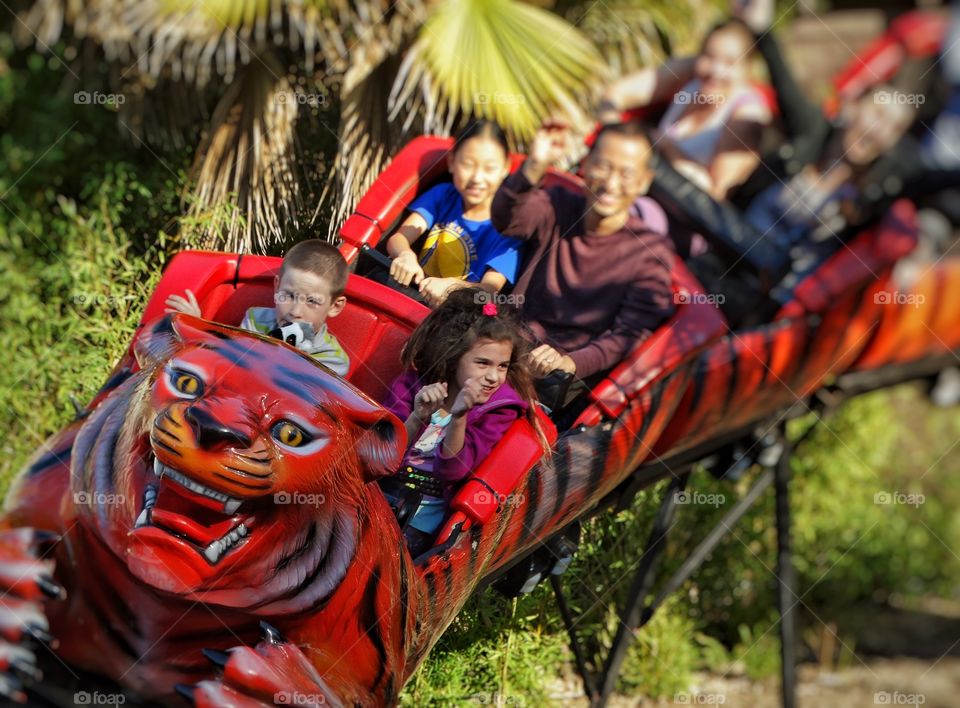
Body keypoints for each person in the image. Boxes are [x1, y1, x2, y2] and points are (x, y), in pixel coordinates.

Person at [650, 0, 960, 326]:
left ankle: (655, 169)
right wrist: (761, 26)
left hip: (766, 292)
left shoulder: (889, 179)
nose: (878, 130)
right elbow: (786, 83)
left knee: (754, 269)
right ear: (850, 109)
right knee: (684, 269)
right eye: (877, 114)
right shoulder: (813, 132)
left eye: (892, 128)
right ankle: (650, 168)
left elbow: (943, 177)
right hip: (723, 250)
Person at [491, 120, 676, 385]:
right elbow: (507, 220)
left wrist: (569, 364)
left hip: (558, 379)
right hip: (502, 343)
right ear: (586, 165)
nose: (610, 184)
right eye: (603, 167)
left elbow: (630, 333)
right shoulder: (559, 204)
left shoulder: (650, 251)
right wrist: (536, 163)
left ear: (644, 182)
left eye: (626, 174)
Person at [380, 288, 542, 556]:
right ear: (454, 357)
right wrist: (417, 416)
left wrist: (459, 418)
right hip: (377, 492)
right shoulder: (413, 384)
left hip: (417, 523)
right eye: (482, 363)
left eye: (502, 366)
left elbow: (453, 471)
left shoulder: (500, 410)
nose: (494, 376)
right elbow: (384, 452)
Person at [598, 17, 772, 201]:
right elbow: (614, 94)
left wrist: (664, 148)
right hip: (631, 184)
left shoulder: (746, 116)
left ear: (747, 69)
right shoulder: (690, 72)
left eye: (730, 63)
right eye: (709, 56)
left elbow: (714, 198)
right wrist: (616, 140)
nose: (716, 70)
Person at [385, 120, 523, 307]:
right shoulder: (443, 195)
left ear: (506, 168)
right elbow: (399, 237)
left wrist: (453, 287)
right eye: (467, 165)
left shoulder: (510, 227)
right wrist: (405, 255)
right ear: (451, 162)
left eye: (489, 168)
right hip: (411, 297)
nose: (476, 178)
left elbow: (490, 289)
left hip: (455, 315)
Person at [164, 240, 351, 376]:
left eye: (312, 302)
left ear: (335, 306)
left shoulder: (333, 361)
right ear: (277, 287)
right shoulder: (256, 319)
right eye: (289, 295)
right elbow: (231, 361)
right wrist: (198, 328)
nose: (295, 311)